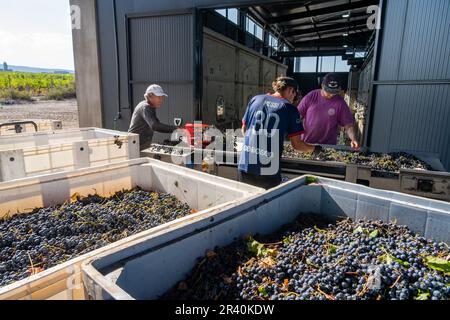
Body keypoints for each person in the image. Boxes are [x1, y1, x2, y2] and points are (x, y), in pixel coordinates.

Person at [238, 77, 321, 189]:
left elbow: (244, 129)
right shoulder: (289, 109)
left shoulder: (255, 99)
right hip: (268, 169)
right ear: (290, 90)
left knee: (245, 203)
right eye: (294, 94)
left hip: (245, 165)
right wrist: (315, 149)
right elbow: (297, 145)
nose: (293, 98)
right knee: (267, 203)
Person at [297, 73, 360, 149]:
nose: (331, 94)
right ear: (322, 86)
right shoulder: (311, 96)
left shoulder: (340, 103)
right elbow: (297, 116)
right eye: (328, 91)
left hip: (328, 146)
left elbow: (348, 125)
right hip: (307, 143)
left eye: (334, 92)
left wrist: (353, 139)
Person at [128, 85, 180, 151]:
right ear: (150, 96)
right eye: (159, 97)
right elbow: (155, 125)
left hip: (139, 146)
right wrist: (176, 129)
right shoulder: (146, 107)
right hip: (134, 147)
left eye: (162, 97)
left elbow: (156, 124)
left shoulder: (149, 106)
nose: (161, 100)